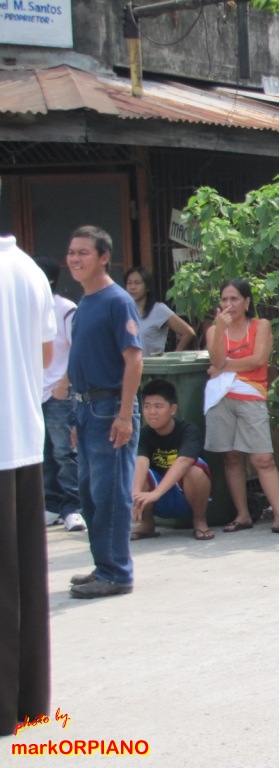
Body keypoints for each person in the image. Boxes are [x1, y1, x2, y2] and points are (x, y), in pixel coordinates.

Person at [65, 225, 142, 599]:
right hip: (85, 409)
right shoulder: (84, 304)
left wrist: (124, 415)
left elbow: (134, 360)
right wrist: (74, 418)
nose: (75, 259)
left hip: (109, 409)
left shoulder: (117, 301)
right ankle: (104, 566)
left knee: (110, 493)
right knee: (91, 494)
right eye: (72, 252)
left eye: (83, 252)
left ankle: (116, 573)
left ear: (104, 257)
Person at [0, 234, 55, 736]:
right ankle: (30, 701)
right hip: (22, 435)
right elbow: (44, 354)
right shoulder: (28, 270)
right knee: (25, 579)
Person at [205, 279, 279, 536]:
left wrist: (224, 366)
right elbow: (215, 358)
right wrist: (220, 333)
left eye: (235, 299)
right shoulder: (214, 330)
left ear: (247, 302)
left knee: (263, 459)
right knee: (231, 457)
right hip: (221, 398)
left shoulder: (261, 325)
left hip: (251, 396)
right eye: (225, 299)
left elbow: (258, 360)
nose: (229, 304)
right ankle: (242, 515)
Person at [35, 256, 85, 533]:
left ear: (50, 279)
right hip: (34, 391)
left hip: (59, 390)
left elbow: (77, 349)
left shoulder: (66, 309)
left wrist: (65, 383)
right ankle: (52, 504)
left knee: (65, 451)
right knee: (43, 452)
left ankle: (73, 507)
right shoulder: (26, 308)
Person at [130, 378, 214, 541]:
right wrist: (136, 493)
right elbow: (141, 461)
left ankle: (200, 522)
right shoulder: (144, 434)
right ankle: (147, 524)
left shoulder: (188, 430)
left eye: (158, 406)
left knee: (195, 469)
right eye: (147, 406)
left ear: (173, 409)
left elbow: (184, 461)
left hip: (184, 495)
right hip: (157, 499)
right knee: (133, 467)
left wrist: (156, 493)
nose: (152, 412)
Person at [125, 266, 196, 356]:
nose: (132, 287)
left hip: (150, 364)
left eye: (137, 283)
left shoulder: (158, 309)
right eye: (129, 283)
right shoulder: (123, 309)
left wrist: (175, 356)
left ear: (147, 287)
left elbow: (188, 332)